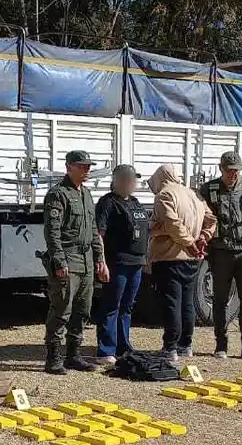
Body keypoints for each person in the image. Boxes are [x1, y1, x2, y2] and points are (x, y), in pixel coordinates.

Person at [42, 150, 109, 374]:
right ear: (69, 167)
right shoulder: (58, 194)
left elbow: (93, 231)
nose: (86, 170)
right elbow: (52, 232)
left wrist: (99, 258)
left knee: (83, 309)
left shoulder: (87, 195)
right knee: (62, 309)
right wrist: (59, 261)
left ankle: (74, 355)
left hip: (87, 260)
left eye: (88, 166)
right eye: (81, 166)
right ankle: (54, 358)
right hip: (69, 258)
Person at [198, 150, 242, 361]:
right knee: (220, 299)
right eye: (229, 171)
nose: (233, 175)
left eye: (237, 171)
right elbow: (200, 219)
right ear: (221, 169)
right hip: (220, 252)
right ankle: (221, 344)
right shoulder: (209, 190)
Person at [147, 163, 215, 363]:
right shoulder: (194, 195)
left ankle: (170, 347)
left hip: (170, 257)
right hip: (192, 259)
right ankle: (186, 344)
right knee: (187, 303)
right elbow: (211, 220)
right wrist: (203, 237)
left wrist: (190, 242)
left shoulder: (164, 195)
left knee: (172, 303)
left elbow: (172, 224)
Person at [92, 164, 152, 366]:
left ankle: (123, 346)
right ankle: (106, 350)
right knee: (112, 305)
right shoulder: (107, 203)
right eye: (127, 178)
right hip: (117, 262)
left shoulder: (135, 202)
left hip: (136, 262)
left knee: (127, 306)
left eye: (133, 179)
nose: (131, 182)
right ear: (117, 180)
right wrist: (101, 262)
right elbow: (99, 234)